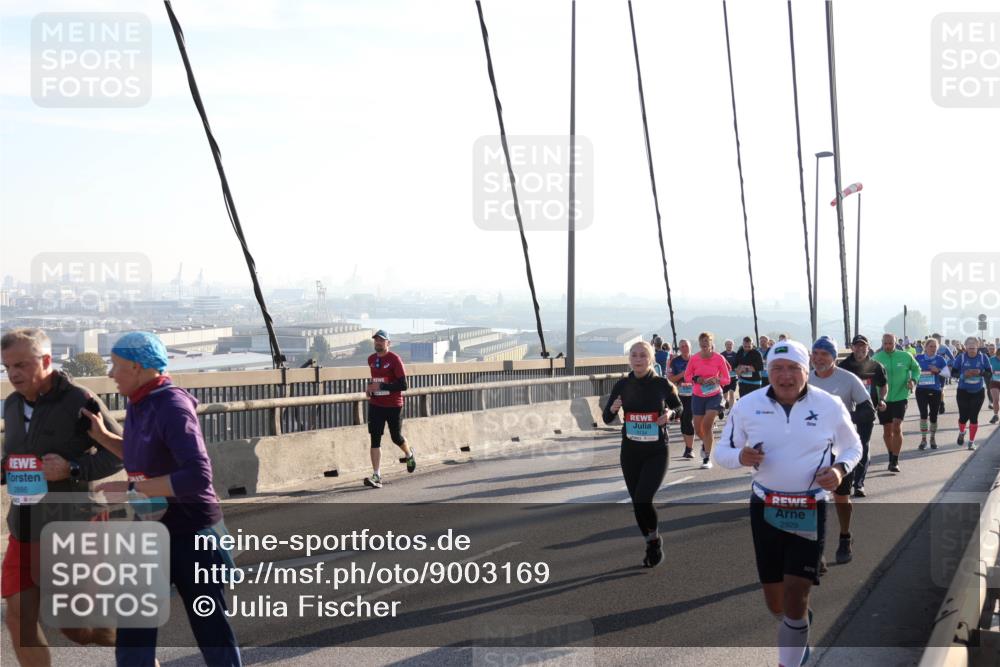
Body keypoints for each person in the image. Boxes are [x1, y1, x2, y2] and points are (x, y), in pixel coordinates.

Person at [82, 331, 242, 666]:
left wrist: (133, 491)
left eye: (115, 366)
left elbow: (198, 475)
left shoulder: (172, 406)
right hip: (150, 531)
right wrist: (103, 436)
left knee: (210, 630)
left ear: (138, 368)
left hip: (192, 532)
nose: (110, 374)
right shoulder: (139, 401)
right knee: (134, 632)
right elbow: (141, 455)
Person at [716, 340, 862, 667]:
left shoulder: (829, 405)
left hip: (809, 509)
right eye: (777, 369)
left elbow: (854, 447)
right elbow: (721, 453)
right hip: (765, 509)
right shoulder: (747, 406)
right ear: (768, 372)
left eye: (793, 368)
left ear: (806, 371)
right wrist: (740, 456)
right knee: (777, 605)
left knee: (796, 596)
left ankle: (791, 654)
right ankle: (797, 622)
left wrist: (839, 470)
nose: (785, 376)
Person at [1, 328, 123, 666]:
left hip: (73, 526)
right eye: (7, 366)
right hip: (24, 528)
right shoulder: (11, 405)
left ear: (46, 360)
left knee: (78, 628)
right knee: (19, 619)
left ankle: (137, 650)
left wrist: (71, 468)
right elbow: (14, 462)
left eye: (22, 365)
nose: (13, 374)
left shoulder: (78, 400)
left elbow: (119, 454)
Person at [603, 341, 683, 567]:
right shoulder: (622, 385)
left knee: (643, 499)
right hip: (630, 451)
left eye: (643, 356)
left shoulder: (662, 385)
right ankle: (652, 541)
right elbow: (607, 419)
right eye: (634, 355)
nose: (638, 359)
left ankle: (653, 539)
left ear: (651, 359)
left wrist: (670, 414)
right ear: (630, 358)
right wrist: (613, 408)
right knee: (637, 504)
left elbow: (679, 408)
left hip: (656, 451)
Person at [808, 337, 875, 567]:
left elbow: (868, 411)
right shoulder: (803, 378)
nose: (818, 358)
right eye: (815, 353)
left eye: (824, 354)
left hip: (841, 447)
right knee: (812, 497)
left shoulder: (848, 379)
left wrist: (841, 419)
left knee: (840, 497)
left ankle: (845, 536)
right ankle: (816, 550)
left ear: (834, 357)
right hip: (811, 448)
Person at [364, 330, 415, 488]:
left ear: (388, 343)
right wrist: (370, 388)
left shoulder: (395, 360)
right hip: (376, 404)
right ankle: (377, 475)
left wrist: (382, 386)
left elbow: (403, 385)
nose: (378, 343)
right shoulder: (371, 359)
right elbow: (376, 380)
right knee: (375, 439)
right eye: (376, 340)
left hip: (394, 405)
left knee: (396, 437)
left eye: (381, 340)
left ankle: (409, 454)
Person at [837, 335, 887, 497]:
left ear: (868, 347)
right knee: (848, 445)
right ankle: (848, 477)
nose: (860, 349)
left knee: (863, 444)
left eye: (863, 346)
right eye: (857, 346)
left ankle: (859, 484)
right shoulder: (843, 366)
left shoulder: (875, 366)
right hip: (848, 411)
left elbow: (883, 385)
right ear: (852, 347)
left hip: (867, 410)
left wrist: (882, 400)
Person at [872, 333, 920, 473]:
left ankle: (895, 460)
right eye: (885, 344)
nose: (887, 346)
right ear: (882, 343)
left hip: (901, 395)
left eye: (890, 344)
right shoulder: (876, 358)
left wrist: (913, 381)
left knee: (897, 426)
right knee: (887, 430)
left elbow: (916, 369)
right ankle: (891, 454)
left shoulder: (905, 356)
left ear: (895, 343)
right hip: (883, 398)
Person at [684, 332, 731, 470]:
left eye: (706, 341)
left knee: (707, 424)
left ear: (711, 343)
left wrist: (717, 379)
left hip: (714, 394)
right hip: (698, 396)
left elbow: (726, 379)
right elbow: (687, 376)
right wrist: (696, 379)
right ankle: (705, 443)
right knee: (698, 428)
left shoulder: (719, 358)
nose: (704, 344)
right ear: (699, 344)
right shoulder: (694, 358)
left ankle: (707, 458)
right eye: (702, 342)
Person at [951, 337, 993, 450]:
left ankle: (971, 442)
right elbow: (953, 373)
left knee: (974, 417)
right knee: (963, 417)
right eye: (969, 348)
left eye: (973, 348)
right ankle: (961, 432)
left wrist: (981, 372)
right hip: (963, 391)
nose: (971, 350)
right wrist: (964, 375)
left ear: (977, 346)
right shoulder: (961, 358)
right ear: (966, 347)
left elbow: (989, 373)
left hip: (978, 392)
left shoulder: (983, 358)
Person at [914, 338, 950, 450]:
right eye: (931, 346)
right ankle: (924, 439)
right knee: (923, 415)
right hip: (921, 390)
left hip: (935, 391)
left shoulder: (940, 359)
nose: (933, 349)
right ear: (926, 347)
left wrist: (937, 370)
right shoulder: (918, 358)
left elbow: (947, 374)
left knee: (933, 416)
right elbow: (910, 370)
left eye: (935, 347)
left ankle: (932, 438)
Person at [668, 339, 696, 459]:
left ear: (690, 347)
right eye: (682, 346)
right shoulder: (675, 362)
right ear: (679, 349)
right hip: (681, 395)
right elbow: (670, 380)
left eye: (686, 346)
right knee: (684, 421)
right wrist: (683, 374)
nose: (684, 348)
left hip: (695, 394)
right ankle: (688, 448)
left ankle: (691, 448)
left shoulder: (696, 359)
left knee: (689, 420)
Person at [720, 339, 740, 411]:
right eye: (728, 344)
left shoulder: (736, 355)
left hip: (733, 377)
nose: (729, 346)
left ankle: (731, 410)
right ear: (725, 346)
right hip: (725, 378)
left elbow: (739, 365)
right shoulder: (722, 355)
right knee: (725, 395)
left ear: (733, 345)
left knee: (732, 393)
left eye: (730, 344)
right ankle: (724, 408)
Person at [988, 343, 1000, 424]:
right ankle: (995, 415)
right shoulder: (991, 359)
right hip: (994, 382)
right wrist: (990, 371)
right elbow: (987, 369)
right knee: (996, 399)